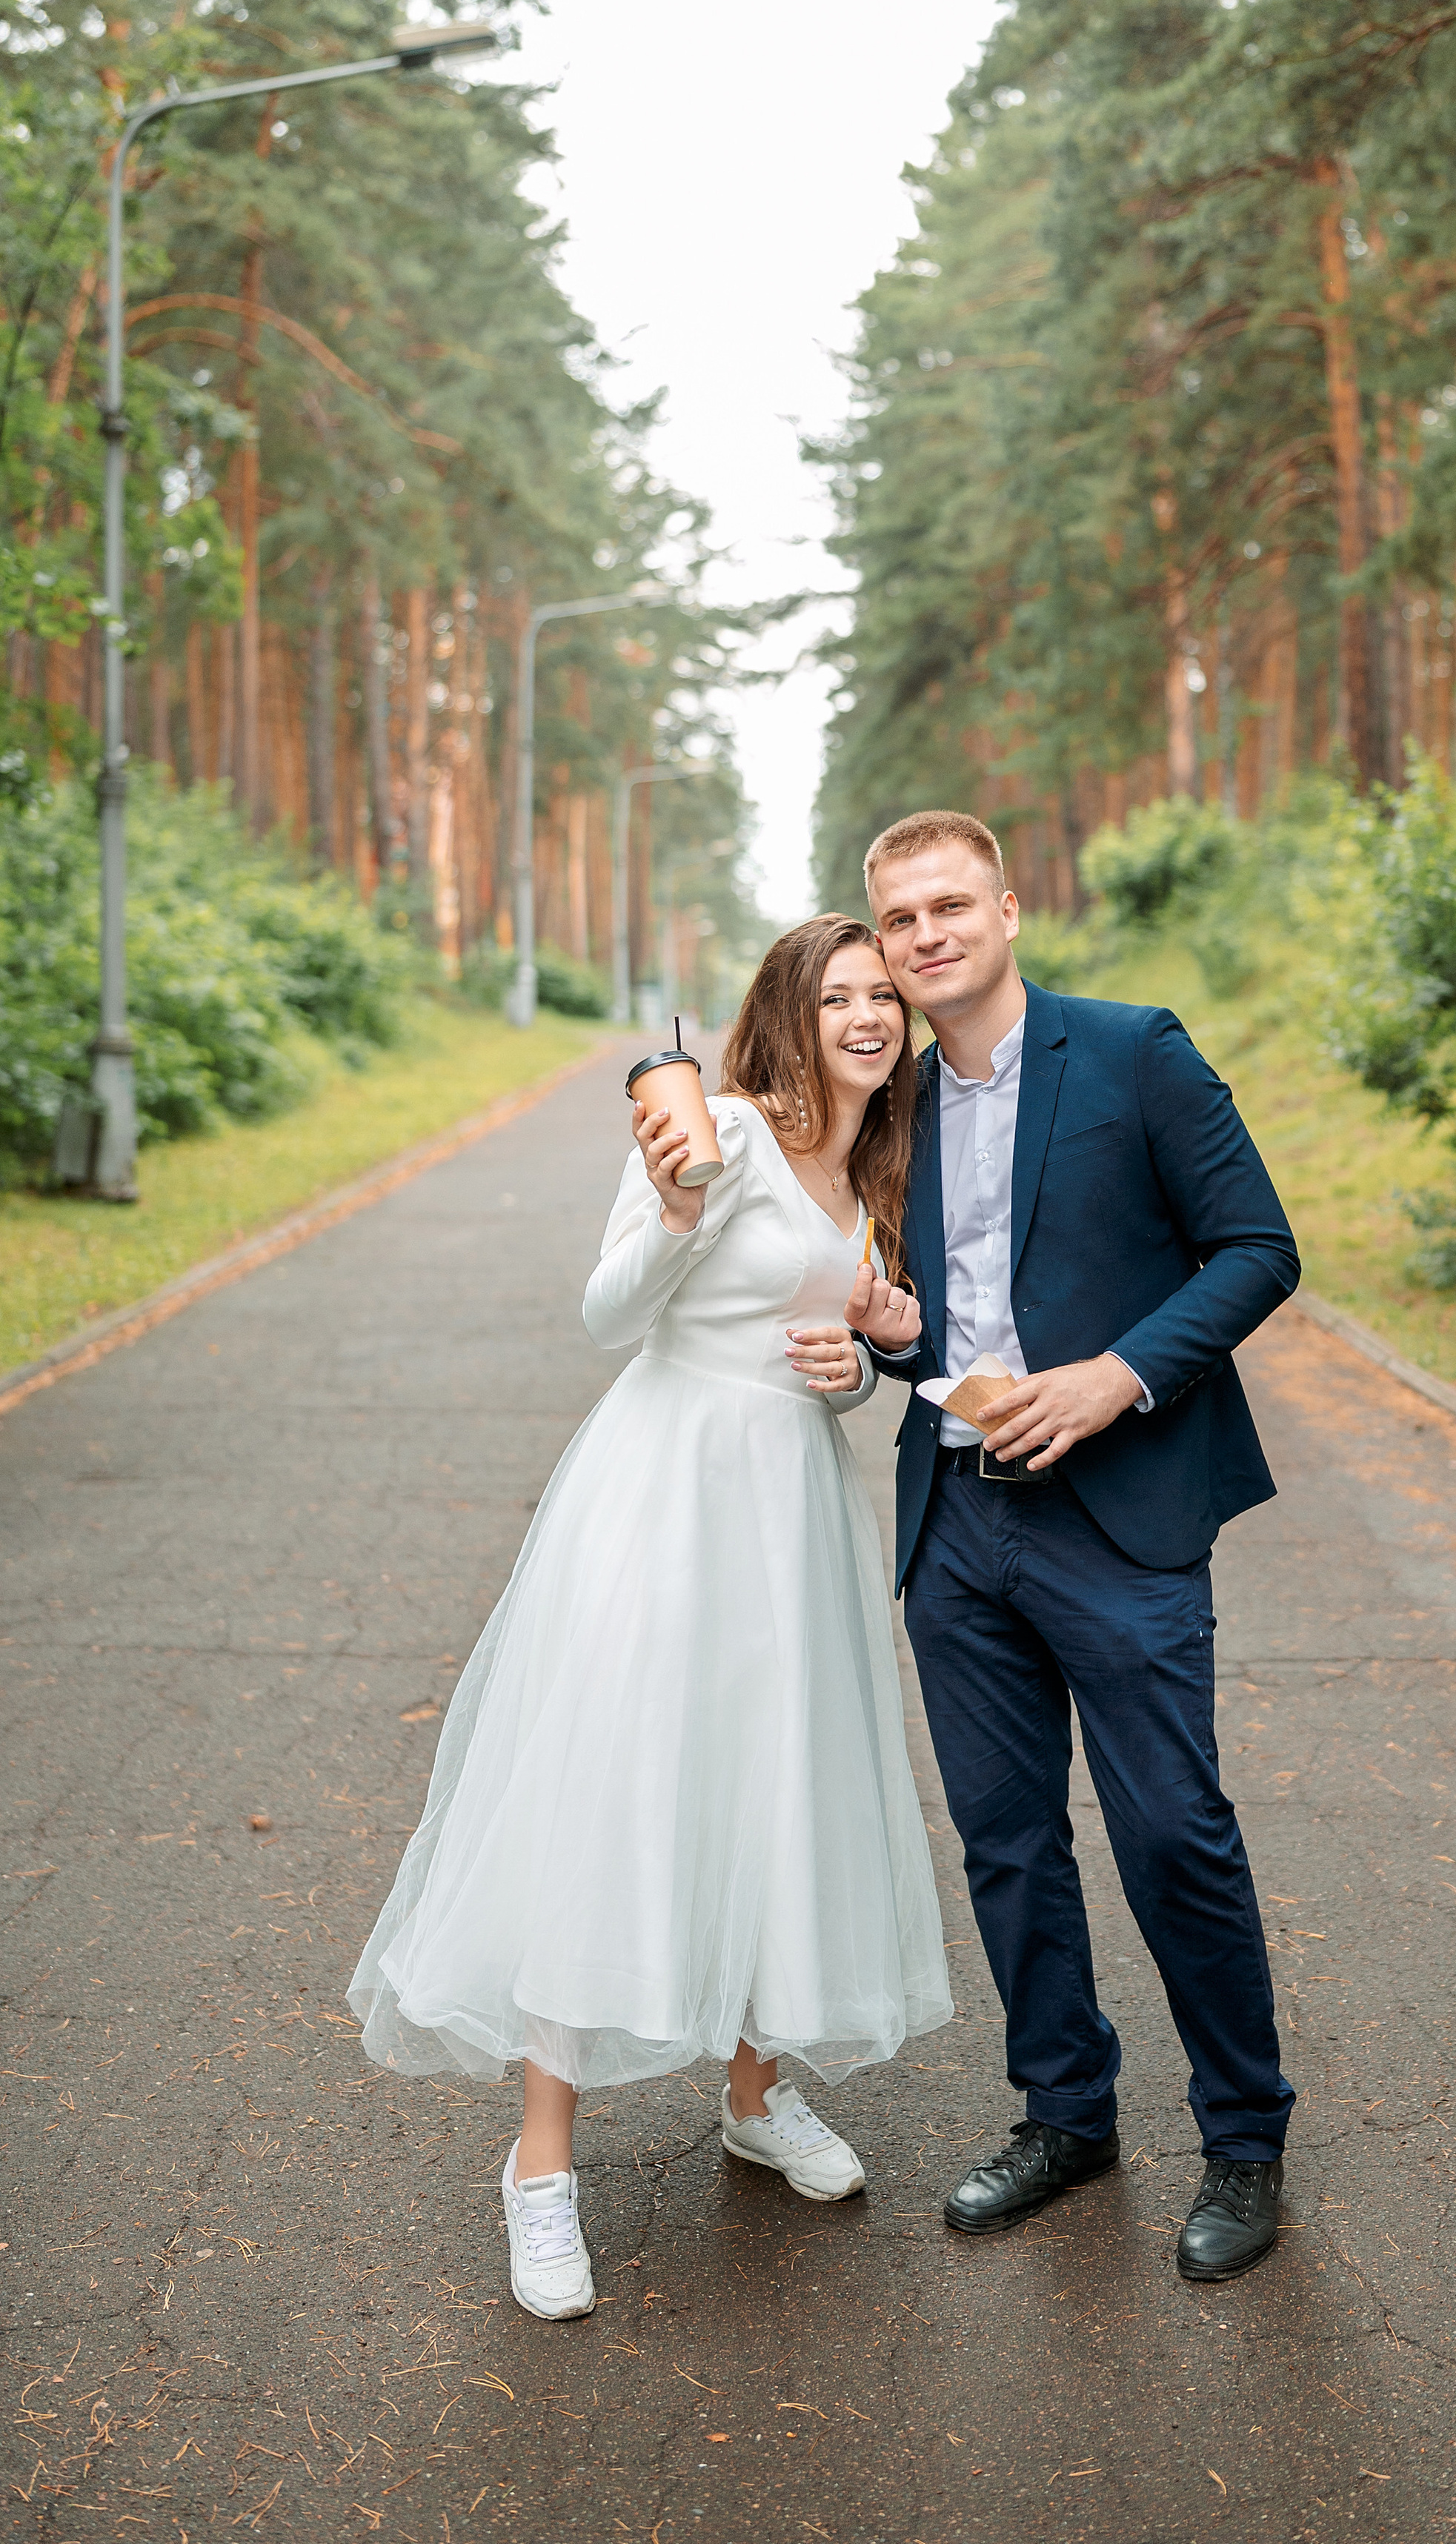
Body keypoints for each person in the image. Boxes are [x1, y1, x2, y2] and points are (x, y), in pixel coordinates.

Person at [350, 917, 949, 2322]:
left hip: (792, 1509)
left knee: (775, 1790)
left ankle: (754, 2096)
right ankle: (540, 2167)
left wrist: (860, 1365)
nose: (867, 1017)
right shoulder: (715, 1131)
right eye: (837, 997)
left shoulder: (880, 1169)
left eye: (884, 997)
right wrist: (678, 1212)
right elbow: (607, 1316)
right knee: (615, 1797)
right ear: (788, 1013)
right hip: (665, 1496)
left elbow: (848, 1354)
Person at [851, 808, 1300, 2284]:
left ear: (1007, 909)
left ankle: (1244, 2136)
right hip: (955, 1518)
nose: (926, 934)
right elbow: (903, 1304)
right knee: (1006, 1842)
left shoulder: (1131, 1051)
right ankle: (1065, 2112)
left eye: (949, 904)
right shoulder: (889, 1104)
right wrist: (883, 1340)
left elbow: (1258, 1249)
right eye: (900, 917)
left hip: (1119, 1514)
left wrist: (1120, 1374)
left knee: (1171, 1829)